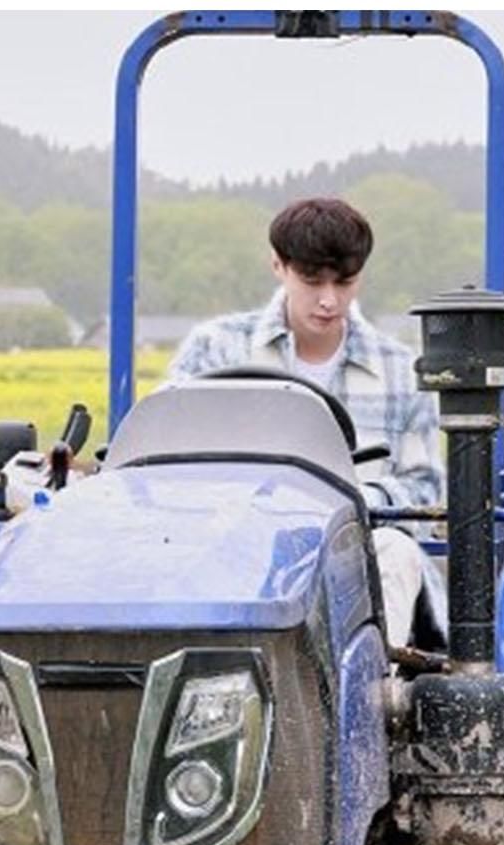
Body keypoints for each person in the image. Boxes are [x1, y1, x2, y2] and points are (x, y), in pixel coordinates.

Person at [159, 197, 442, 651]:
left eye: (344, 282)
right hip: (237, 540)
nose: (329, 300)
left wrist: (354, 505)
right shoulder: (216, 350)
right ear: (279, 266)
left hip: (355, 549)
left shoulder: (399, 371)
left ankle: (360, 702)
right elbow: (164, 453)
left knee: (396, 551)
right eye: (312, 281)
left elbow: (425, 492)